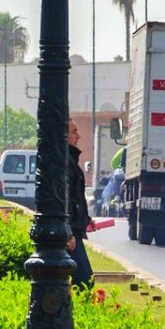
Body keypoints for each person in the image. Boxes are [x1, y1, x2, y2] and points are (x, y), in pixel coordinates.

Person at [66, 118, 93, 289]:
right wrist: (67, 232)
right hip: (69, 232)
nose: (79, 136)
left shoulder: (70, 161)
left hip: (73, 229)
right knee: (83, 279)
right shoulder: (65, 162)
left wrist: (86, 219)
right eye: (74, 132)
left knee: (81, 279)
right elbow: (64, 199)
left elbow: (76, 198)